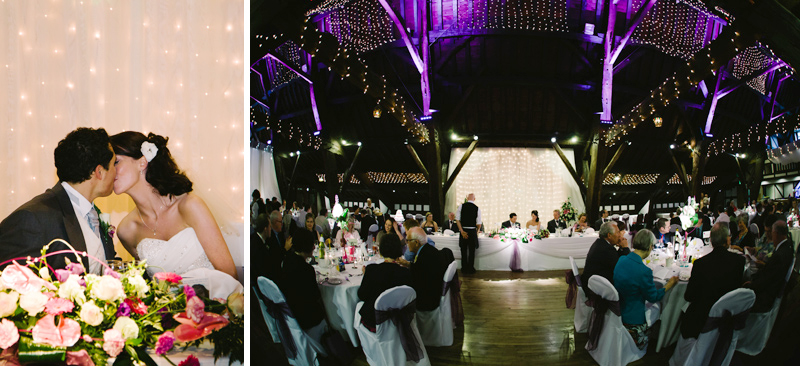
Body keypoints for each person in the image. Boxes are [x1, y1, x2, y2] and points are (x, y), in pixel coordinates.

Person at [110, 132, 236, 279]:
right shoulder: (127, 230)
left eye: (116, 162)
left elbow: (229, 275)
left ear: (142, 162)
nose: (111, 171)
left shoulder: (189, 206)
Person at [0, 128, 117, 273]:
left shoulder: (93, 213)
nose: (116, 171)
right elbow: (14, 287)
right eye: (114, 164)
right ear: (99, 172)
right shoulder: (32, 219)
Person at [614, 229, 679, 350]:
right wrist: (669, 284)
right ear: (650, 246)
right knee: (658, 306)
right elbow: (653, 297)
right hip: (634, 319)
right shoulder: (644, 271)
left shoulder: (621, 260)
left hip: (618, 312)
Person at [680, 222, 745, 339]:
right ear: (727, 240)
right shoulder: (739, 262)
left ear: (711, 241)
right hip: (728, 316)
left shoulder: (700, 264)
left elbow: (689, 296)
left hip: (701, 318)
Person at [278, 229, 328, 342]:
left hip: (290, 313)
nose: (314, 248)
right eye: (312, 245)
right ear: (307, 246)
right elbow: (316, 295)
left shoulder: (287, 261)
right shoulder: (307, 270)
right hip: (306, 317)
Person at [357, 234, 412, 331]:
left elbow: (362, 295)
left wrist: (367, 276)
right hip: (400, 321)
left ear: (381, 250)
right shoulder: (406, 273)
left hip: (375, 322)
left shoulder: (372, 270)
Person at [745, 221, 796, 312]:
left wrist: (751, 284)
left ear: (776, 234)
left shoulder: (779, 256)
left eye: (772, 232)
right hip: (771, 288)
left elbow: (767, 279)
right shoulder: (787, 247)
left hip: (766, 297)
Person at [581, 221, 630, 296]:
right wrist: (625, 248)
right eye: (617, 232)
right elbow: (624, 266)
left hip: (594, 283)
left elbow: (617, 259)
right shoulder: (605, 249)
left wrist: (621, 248)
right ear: (609, 235)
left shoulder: (601, 243)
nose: (620, 235)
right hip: (597, 289)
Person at [405, 227, 446, 311]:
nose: (407, 244)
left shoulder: (425, 257)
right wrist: (408, 265)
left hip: (427, 301)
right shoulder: (429, 250)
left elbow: (418, 278)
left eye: (408, 240)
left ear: (416, 242)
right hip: (434, 294)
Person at [456, 193, 482, 274]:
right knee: (472, 251)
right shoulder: (477, 208)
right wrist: (477, 231)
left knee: (463, 250)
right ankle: (471, 268)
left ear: (467, 198)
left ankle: (464, 268)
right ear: (474, 199)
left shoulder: (461, 206)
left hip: (463, 230)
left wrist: (462, 231)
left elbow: (457, 220)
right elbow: (478, 223)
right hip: (472, 231)